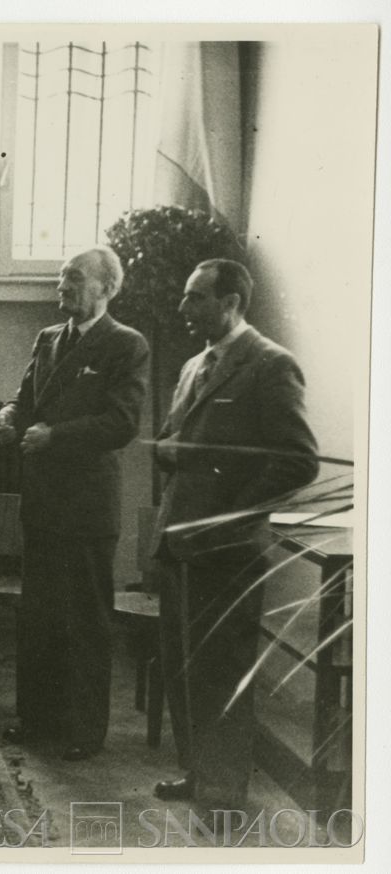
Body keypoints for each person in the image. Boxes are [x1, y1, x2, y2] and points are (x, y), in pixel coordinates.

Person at [150, 259, 318, 807]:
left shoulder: (270, 364)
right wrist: (168, 451)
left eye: (196, 297)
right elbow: (176, 440)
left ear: (231, 303)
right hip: (180, 544)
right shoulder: (194, 365)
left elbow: (297, 460)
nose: (183, 307)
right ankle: (198, 774)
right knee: (185, 670)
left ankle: (223, 794)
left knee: (221, 675)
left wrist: (229, 516)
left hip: (227, 552)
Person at [0, 245, 149, 761]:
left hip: (86, 508)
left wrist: (55, 436)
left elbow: (121, 423)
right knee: (38, 616)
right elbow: (26, 398)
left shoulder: (126, 345)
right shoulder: (48, 338)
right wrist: (7, 416)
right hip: (42, 502)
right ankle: (36, 719)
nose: (62, 287)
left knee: (85, 621)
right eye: (61, 278)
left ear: (108, 287)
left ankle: (84, 730)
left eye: (74, 279)